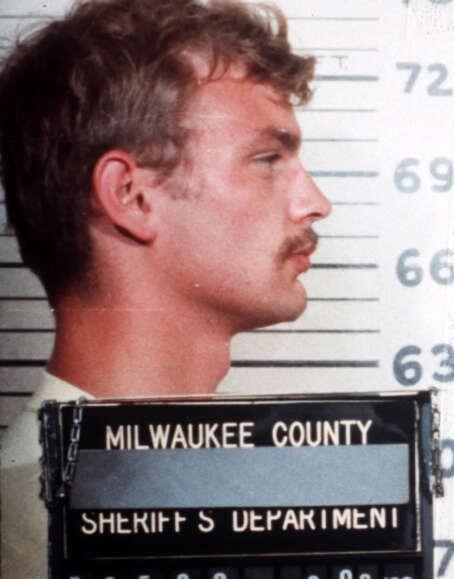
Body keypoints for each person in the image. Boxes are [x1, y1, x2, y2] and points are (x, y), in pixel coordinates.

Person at [0, 0, 330, 575]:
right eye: (267, 158)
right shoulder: (28, 535)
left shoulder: (268, 479)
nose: (316, 204)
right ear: (131, 196)